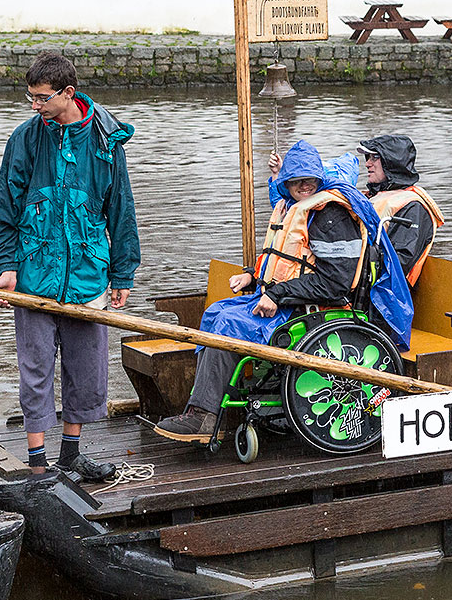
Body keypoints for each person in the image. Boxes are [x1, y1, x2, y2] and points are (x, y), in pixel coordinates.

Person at [153, 139, 413, 444]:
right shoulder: (291, 207)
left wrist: (277, 295)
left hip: (315, 311)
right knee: (216, 312)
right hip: (293, 300)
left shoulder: (330, 215)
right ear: (286, 180)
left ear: (319, 178)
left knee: (228, 325)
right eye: (296, 180)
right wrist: (251, 276)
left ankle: (204, 417)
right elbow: (288, 260)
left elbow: (337, 282)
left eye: (310, 179)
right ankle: (211, 406)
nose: (304, 186)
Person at [0, 52, 140, 482]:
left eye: (41, 98)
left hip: (89, 275)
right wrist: (6, 265)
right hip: (34, 274)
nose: (34, 106)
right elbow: (5, 205)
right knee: (34, 370)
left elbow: (121, 211)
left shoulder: (106, 142)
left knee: (86, 369)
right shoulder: (25, 138)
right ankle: (38, 463)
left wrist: (122, 273)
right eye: (30, 97)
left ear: (68, 93)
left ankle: (71, 454)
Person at [359, 134, 444, 286]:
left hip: (386, 296)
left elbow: (400, 262)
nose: (367, 164)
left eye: (374, 158)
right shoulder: (372, 196)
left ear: (391, 162)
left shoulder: (413, 207)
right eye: (368, 158)